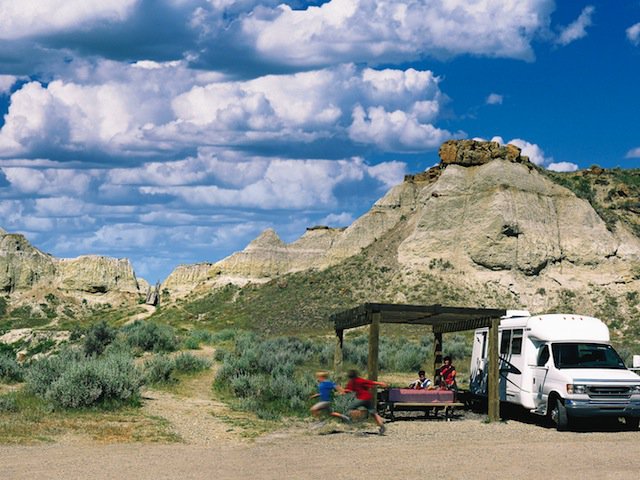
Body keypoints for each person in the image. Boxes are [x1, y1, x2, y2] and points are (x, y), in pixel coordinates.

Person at [343, 369, 388, 435]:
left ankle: (358, 420)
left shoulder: (351, 382)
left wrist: (341, 391)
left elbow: (347, 391)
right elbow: (370, 382)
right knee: (374, 413)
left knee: (349, 409)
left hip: (361, 398)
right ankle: (382, 426)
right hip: (368, 398)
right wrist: (380, 383)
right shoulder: (360, 380)